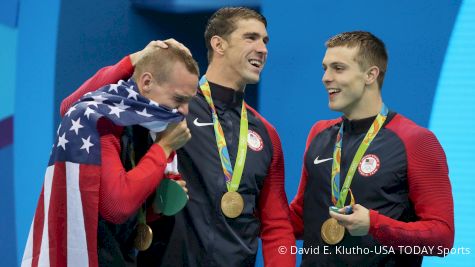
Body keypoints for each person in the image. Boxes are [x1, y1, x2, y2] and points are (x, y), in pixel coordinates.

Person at [57, 7, 295, 267]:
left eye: (265, 40)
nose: (263, 48)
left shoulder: (266, 134)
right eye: (251, 37)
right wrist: (135, 59)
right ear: (219, 44)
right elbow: (77, 108)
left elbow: (277, 226)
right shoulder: (165, 108)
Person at [22, 42, 199, 267]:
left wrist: (155, 206)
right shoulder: (100, 121)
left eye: (188, 102)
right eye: (178, 100)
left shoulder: (145, 123)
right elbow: (117, 207)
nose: (184, 111)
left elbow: (130, 212)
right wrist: (163, 148)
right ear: (146, 82)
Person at [289, 31, 455, 266]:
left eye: (338, 68)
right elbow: (302, 217)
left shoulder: (416, 140)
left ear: (370, 75)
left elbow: (442, 237)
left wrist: (374, 226)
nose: (326, 77)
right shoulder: (319, 133)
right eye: (325, 68)